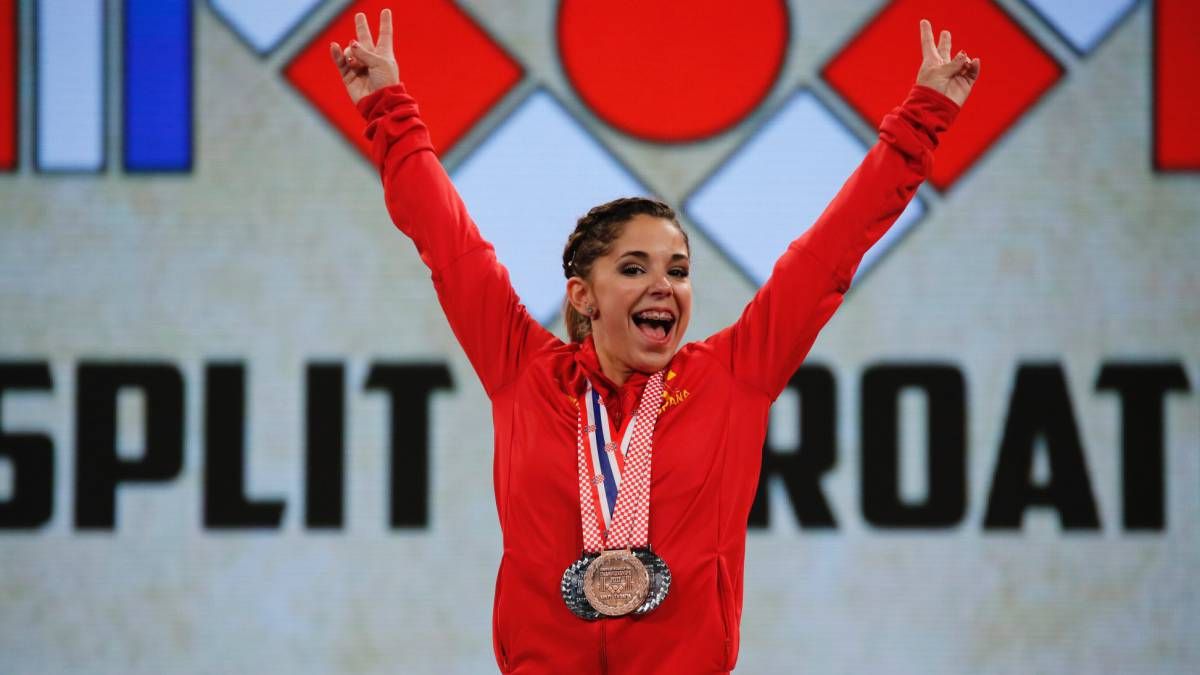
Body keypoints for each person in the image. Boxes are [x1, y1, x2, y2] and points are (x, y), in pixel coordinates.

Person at [330, 9, 979, 674]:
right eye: (634, 268)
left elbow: (830, 254)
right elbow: (449, 244)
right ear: (583, 296)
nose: (663, 286)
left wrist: (920, 123)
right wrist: (388, 107)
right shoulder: (522, 369)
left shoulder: (733, 375)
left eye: (678, 270)